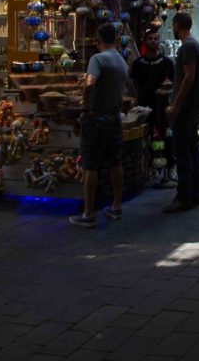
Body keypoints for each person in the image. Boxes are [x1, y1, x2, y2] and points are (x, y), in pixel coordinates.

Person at [69, 23, 128, 227]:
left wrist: (86, 109)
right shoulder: (121, 60)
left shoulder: (97, 58)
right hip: (114, 119)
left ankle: (88, 213)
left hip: (95, 120)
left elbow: (90, 84)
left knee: (90, 164)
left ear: (98, 39)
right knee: (115, 162)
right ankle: (117, 206)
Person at [164, 12, 199, 213]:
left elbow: (189, 77)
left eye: (172, 25)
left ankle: (184, 196)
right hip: (192, 106)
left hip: (186, 108)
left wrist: (175, 104)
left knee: (182, 152)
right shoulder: (193, 45)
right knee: (191, 150)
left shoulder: (188, 46)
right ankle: (196, 193)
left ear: (177, 25)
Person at [130, 27, 176, 187]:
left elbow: (172, 83)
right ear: (145, 41)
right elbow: (135, 82)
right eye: (150, 38)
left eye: (156, 38)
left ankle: (168, 168)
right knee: (146, 136)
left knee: (165, 135)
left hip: (161, 105)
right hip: (143, 104)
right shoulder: (138, 63)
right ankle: (150, 168)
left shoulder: (166, 63)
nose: (153, 41)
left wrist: (164, 91)